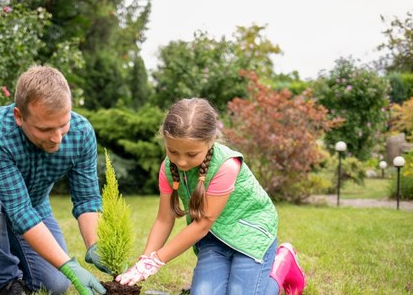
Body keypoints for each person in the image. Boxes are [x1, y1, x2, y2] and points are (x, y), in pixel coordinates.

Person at [116, 98, 306, 294]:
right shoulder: (167, 168)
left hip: (250, 233)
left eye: (191, 155)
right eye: (173, 151)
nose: (181, 161)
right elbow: (164, 219)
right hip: (214, 238)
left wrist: (156, 261)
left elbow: (202, 224)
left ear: (211, 141)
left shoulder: (226, 166)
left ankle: (282, 261)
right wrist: (145, 260)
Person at [0, 65, 108, 295]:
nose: (57, 139)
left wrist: (94, 245)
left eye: (63, 125)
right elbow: (20, 211)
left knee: (55, 285)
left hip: (34, 201)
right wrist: (70, 266)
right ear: (19, 116)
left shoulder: (82, 133)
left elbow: (86, 198)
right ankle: (6, 279)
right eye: (45, 129)